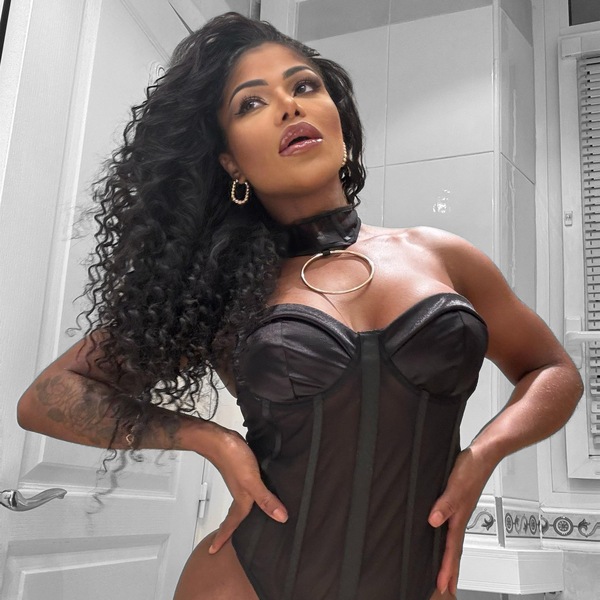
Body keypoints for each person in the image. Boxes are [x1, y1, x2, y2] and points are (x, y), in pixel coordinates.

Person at [17, 12, 582, 600]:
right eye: (251, 104)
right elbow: (46, 399)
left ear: (338, 117)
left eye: (304, 86)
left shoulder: (442, 256)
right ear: (231, 162)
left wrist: (483, 455)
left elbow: (554, 371)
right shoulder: (220, 289)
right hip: (245, 582)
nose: (289, 106)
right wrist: (211, 439)